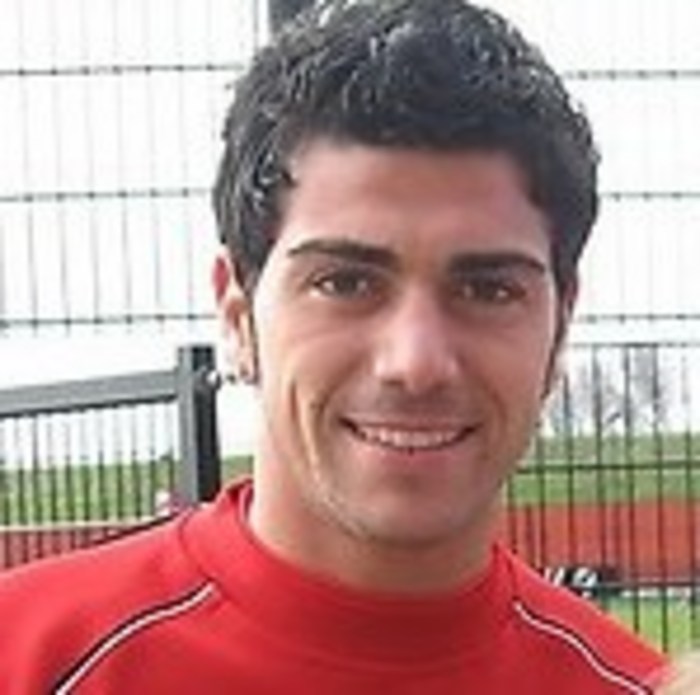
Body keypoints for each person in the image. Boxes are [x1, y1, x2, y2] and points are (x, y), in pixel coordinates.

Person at [0, 1, 667, 692]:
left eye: (488, 290)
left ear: (561, 323)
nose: (415, 362)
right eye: (345, 283)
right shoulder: (26, 659)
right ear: (237, 313)